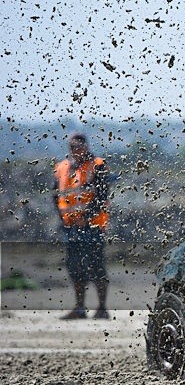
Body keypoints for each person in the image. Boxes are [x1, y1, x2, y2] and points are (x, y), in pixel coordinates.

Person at [53, 133, 111, 319]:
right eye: (73, 148)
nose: (76, 151)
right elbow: (56, 195)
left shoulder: (98, 165)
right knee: (74, 267)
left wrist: (86, 217)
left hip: (93, 226)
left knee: (96, 266)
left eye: (79, 147)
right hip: (70, 227)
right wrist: (64, 219)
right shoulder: (61, 168)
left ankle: (102, 308)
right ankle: (79, 307)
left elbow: (102, 196)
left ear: (86, 147)